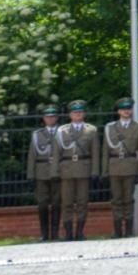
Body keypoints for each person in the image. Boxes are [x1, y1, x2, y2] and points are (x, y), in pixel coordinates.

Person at [99, 97, 138, 238]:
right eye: (123, 109)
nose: (126, 111)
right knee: (116, 199)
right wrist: (104, 171)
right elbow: (105, 152)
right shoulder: (110, 127)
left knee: (128, 199)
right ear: (119, 111)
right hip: (114, 167)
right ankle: (118, 230)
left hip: (130, 166)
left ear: (131, 110)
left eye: (128, 109)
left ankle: (129, 231)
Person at [54, 100, 99, 240]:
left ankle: (79, 232)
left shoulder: (91, 130)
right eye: (75, 112)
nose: (78, 114)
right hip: (67, 169)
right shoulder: (61, 131)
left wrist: (95, 171)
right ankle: (68, 233)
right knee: (66, 202)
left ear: (84, 113)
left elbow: (95, 152)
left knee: (82, 202)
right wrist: (54, 172)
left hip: (83, 168)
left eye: (80, 112)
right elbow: (56, 153)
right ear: (70, 115)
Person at [26, 105, 61, 241]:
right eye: (48, 117)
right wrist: (30, 175)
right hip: (41, 172)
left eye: (53, 116)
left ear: (57, 118)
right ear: (44, 119)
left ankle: (55, 233)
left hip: (57, 172)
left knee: (57, 203)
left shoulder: (62, 132)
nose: (50, 119)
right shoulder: (37, 134)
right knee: (42, 204)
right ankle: (44, 234)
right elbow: (32, 156)